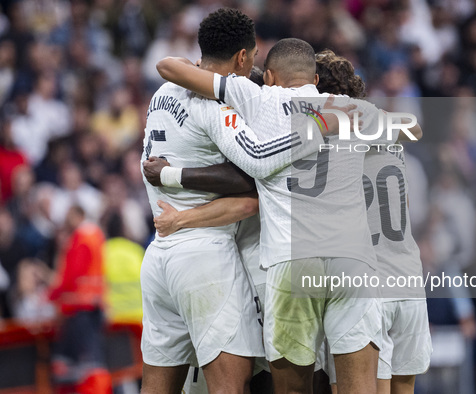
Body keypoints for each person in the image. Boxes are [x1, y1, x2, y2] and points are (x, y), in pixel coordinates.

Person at [155, 38, 419, 394]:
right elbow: (412, 128)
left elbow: (169, 68)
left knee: (294, 388)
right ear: (314, 76)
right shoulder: (349, 109)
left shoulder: (257, 97)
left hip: (292, 261)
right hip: (353, 260)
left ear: (273, 76)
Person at [140, 9, 332, 394]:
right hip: (204, 258)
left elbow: (169, 66)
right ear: (243, 57)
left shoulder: (163, 92)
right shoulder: (216, 105)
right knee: (232, 387)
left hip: (159, 258)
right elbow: (255, 168)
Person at [313, 49, 431, 394]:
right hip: (408, 276)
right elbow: (416, 129)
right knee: (404, 387)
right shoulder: (387, 128)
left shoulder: (327, 137)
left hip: (369, 284)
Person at [48, 205, 111, 394]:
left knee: (80, 366)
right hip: (94, 305)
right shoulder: (97, 236)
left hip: (78, 306)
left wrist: (52, 295)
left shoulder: (79, 237)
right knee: (93, 361)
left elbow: (71, 273)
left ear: (78, 215)